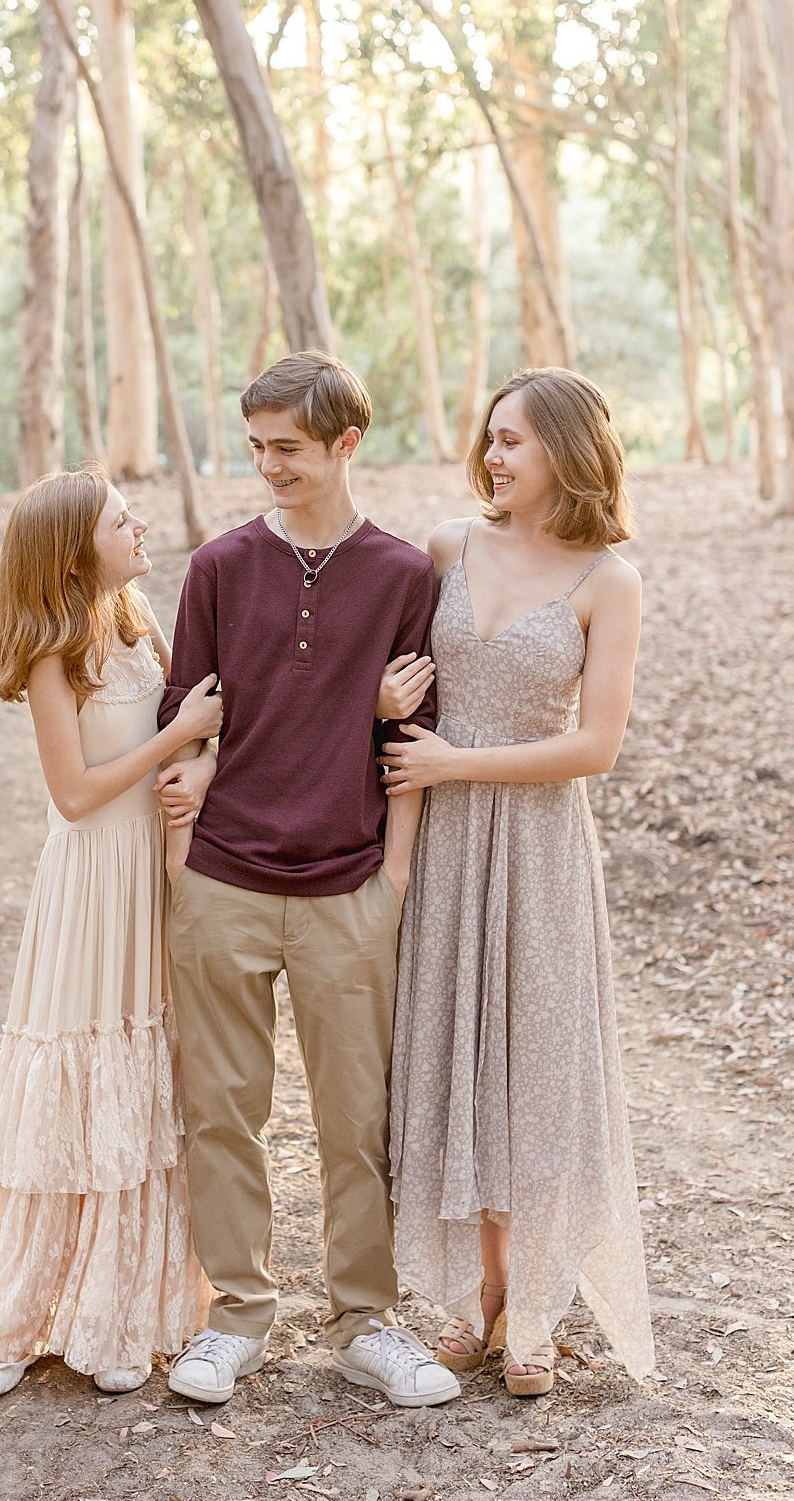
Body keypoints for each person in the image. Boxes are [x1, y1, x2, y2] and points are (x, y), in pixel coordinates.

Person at [155, 351, 461, 1410]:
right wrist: (186, 822)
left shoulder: (404, 577)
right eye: (257, 448)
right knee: (221, 1109)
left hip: (349, 883)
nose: (268, 466)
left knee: (354, 1118)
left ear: (344, 443)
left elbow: (414, 739)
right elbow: (182, 720)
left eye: (287, 447)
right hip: (224, 873)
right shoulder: (218, 568)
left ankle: (365, 1320)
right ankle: (233, 1318)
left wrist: (397, 878)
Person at [384, 368, 656, 1396]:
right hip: (447, 848)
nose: (494, 457)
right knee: (461, 1063)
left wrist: (458, 761)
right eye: (490, 438)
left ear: (570, 453)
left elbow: (596, 745)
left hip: (539, 848)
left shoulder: (608, 580)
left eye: (515, 442)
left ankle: (537, 1306)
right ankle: (482, 1296)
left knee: (536, 1071)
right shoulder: (449, 547)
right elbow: (397, 690)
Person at [0, 469, 221, 1398]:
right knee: (72, 1076)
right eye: (122, 519)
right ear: (78, 549)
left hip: (153, 877)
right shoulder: (53, 649)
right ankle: (18, 1316)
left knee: (148, 1081)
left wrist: (198, 755)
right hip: (88, 885)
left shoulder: (140, 620)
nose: (140, 523)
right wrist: (176, 736)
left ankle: (117, 1314)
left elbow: (194, 737)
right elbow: (74, 795)